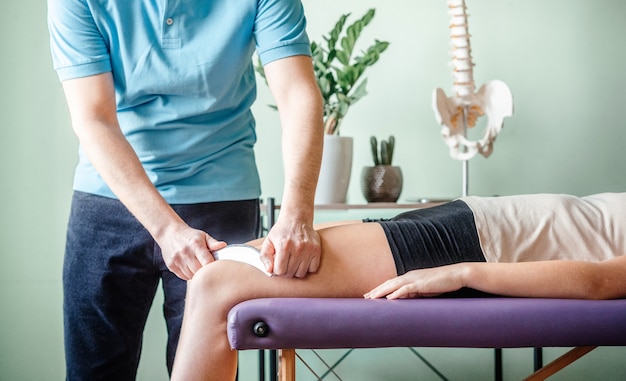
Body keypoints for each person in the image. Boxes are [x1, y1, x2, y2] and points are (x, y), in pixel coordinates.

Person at [47, 0, 324, 379]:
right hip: (110, 200)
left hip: (221, 201)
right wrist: (166, 229)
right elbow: (93, 118)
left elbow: (298, 95)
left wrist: (297, 215)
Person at [168, 193, 626, 381]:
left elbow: (602, 281)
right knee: (226, 265)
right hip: (474, 219)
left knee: (216, 282)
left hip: (478, 244)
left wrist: (464, 273)